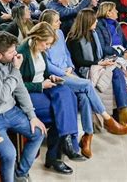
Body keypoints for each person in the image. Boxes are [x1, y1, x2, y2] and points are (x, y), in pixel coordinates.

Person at [0, 31, 46, 182]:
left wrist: (32, 116)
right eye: (11, 52)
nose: (16, 54)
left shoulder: (9, 62)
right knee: (9, 153)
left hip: (10, 111)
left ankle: (20, 174)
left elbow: (20, 89)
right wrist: (16, 69)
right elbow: (2, 95)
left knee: (38, 132)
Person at [17, 23, 84, 174]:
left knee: (69, 95)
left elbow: (44, 72)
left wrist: (51, 77)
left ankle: (66, 139)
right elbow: (17, 85)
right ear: (36, 38)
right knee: (58, 113)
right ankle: (55, 155)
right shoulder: (22, 52)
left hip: (45, 85)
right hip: (31, 91)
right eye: (46, 43)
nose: (47, 47)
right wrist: (40, 85)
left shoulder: (41, 51)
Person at [65, 9, 127, 134]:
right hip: (84, 69)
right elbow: (79, 61)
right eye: (94, 19)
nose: (96, 21)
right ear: (87, 21)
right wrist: (99, 63)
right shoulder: (74, 38)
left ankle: (122, 110)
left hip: (97, 64)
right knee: (108, 77)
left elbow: (99, 55)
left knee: (117, 71)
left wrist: (104, 61)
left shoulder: (93, 34)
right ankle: (111, 117)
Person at [95, 2, 127, 91]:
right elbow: (102, 47)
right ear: (108, 13)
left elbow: (125, 41)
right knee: (126, 74)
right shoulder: (99, 26)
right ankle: (124, 93)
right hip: (110, 56)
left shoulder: (117, 24)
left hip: (123, 54)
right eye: (114, 10)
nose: (117, 11)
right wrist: (120, 52)